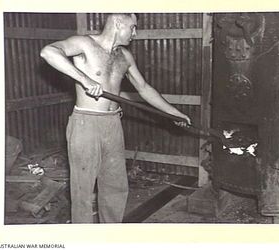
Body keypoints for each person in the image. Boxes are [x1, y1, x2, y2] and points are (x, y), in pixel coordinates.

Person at [40, 13, 191, 223]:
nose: (135, 34)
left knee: (115, 187)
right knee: (82, 190)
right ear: (118, 23)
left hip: (113, 124)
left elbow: (144, 88)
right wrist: (84, 79)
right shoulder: (84, 43)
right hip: (86, 123)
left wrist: (173, 112)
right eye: (133, 27)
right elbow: (48, 52)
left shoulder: (124, 56)